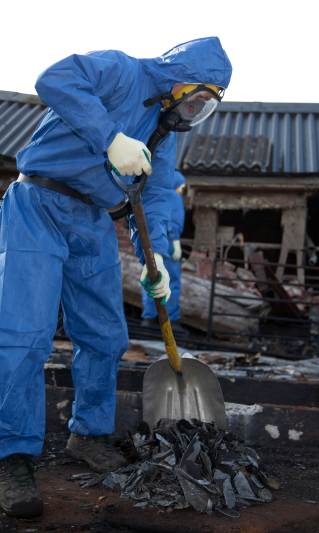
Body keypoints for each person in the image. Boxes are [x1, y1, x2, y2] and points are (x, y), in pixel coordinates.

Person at [0, 37, 232, 518]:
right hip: (38, 203)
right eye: (195, 100)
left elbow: (158, 192)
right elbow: (54, 79)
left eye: (205, 106)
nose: (193, 113)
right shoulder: (121, 71)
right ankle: (12, 456)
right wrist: (109, 137)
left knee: (105, 334)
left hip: (92, 220)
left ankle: (88, 434)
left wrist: (159, 265)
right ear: (176, 84)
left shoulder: (162, 133)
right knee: (24, 335)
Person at [141, 170, 186, 327]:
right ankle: (171, 318)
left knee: (152, 277)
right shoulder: (174, 197)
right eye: (182, 186)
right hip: (168, 244)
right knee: (172, 281)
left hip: (153, 243)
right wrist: (175, 240)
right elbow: (174, 220)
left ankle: (149, 317)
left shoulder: (154, 195)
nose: (182, 189)